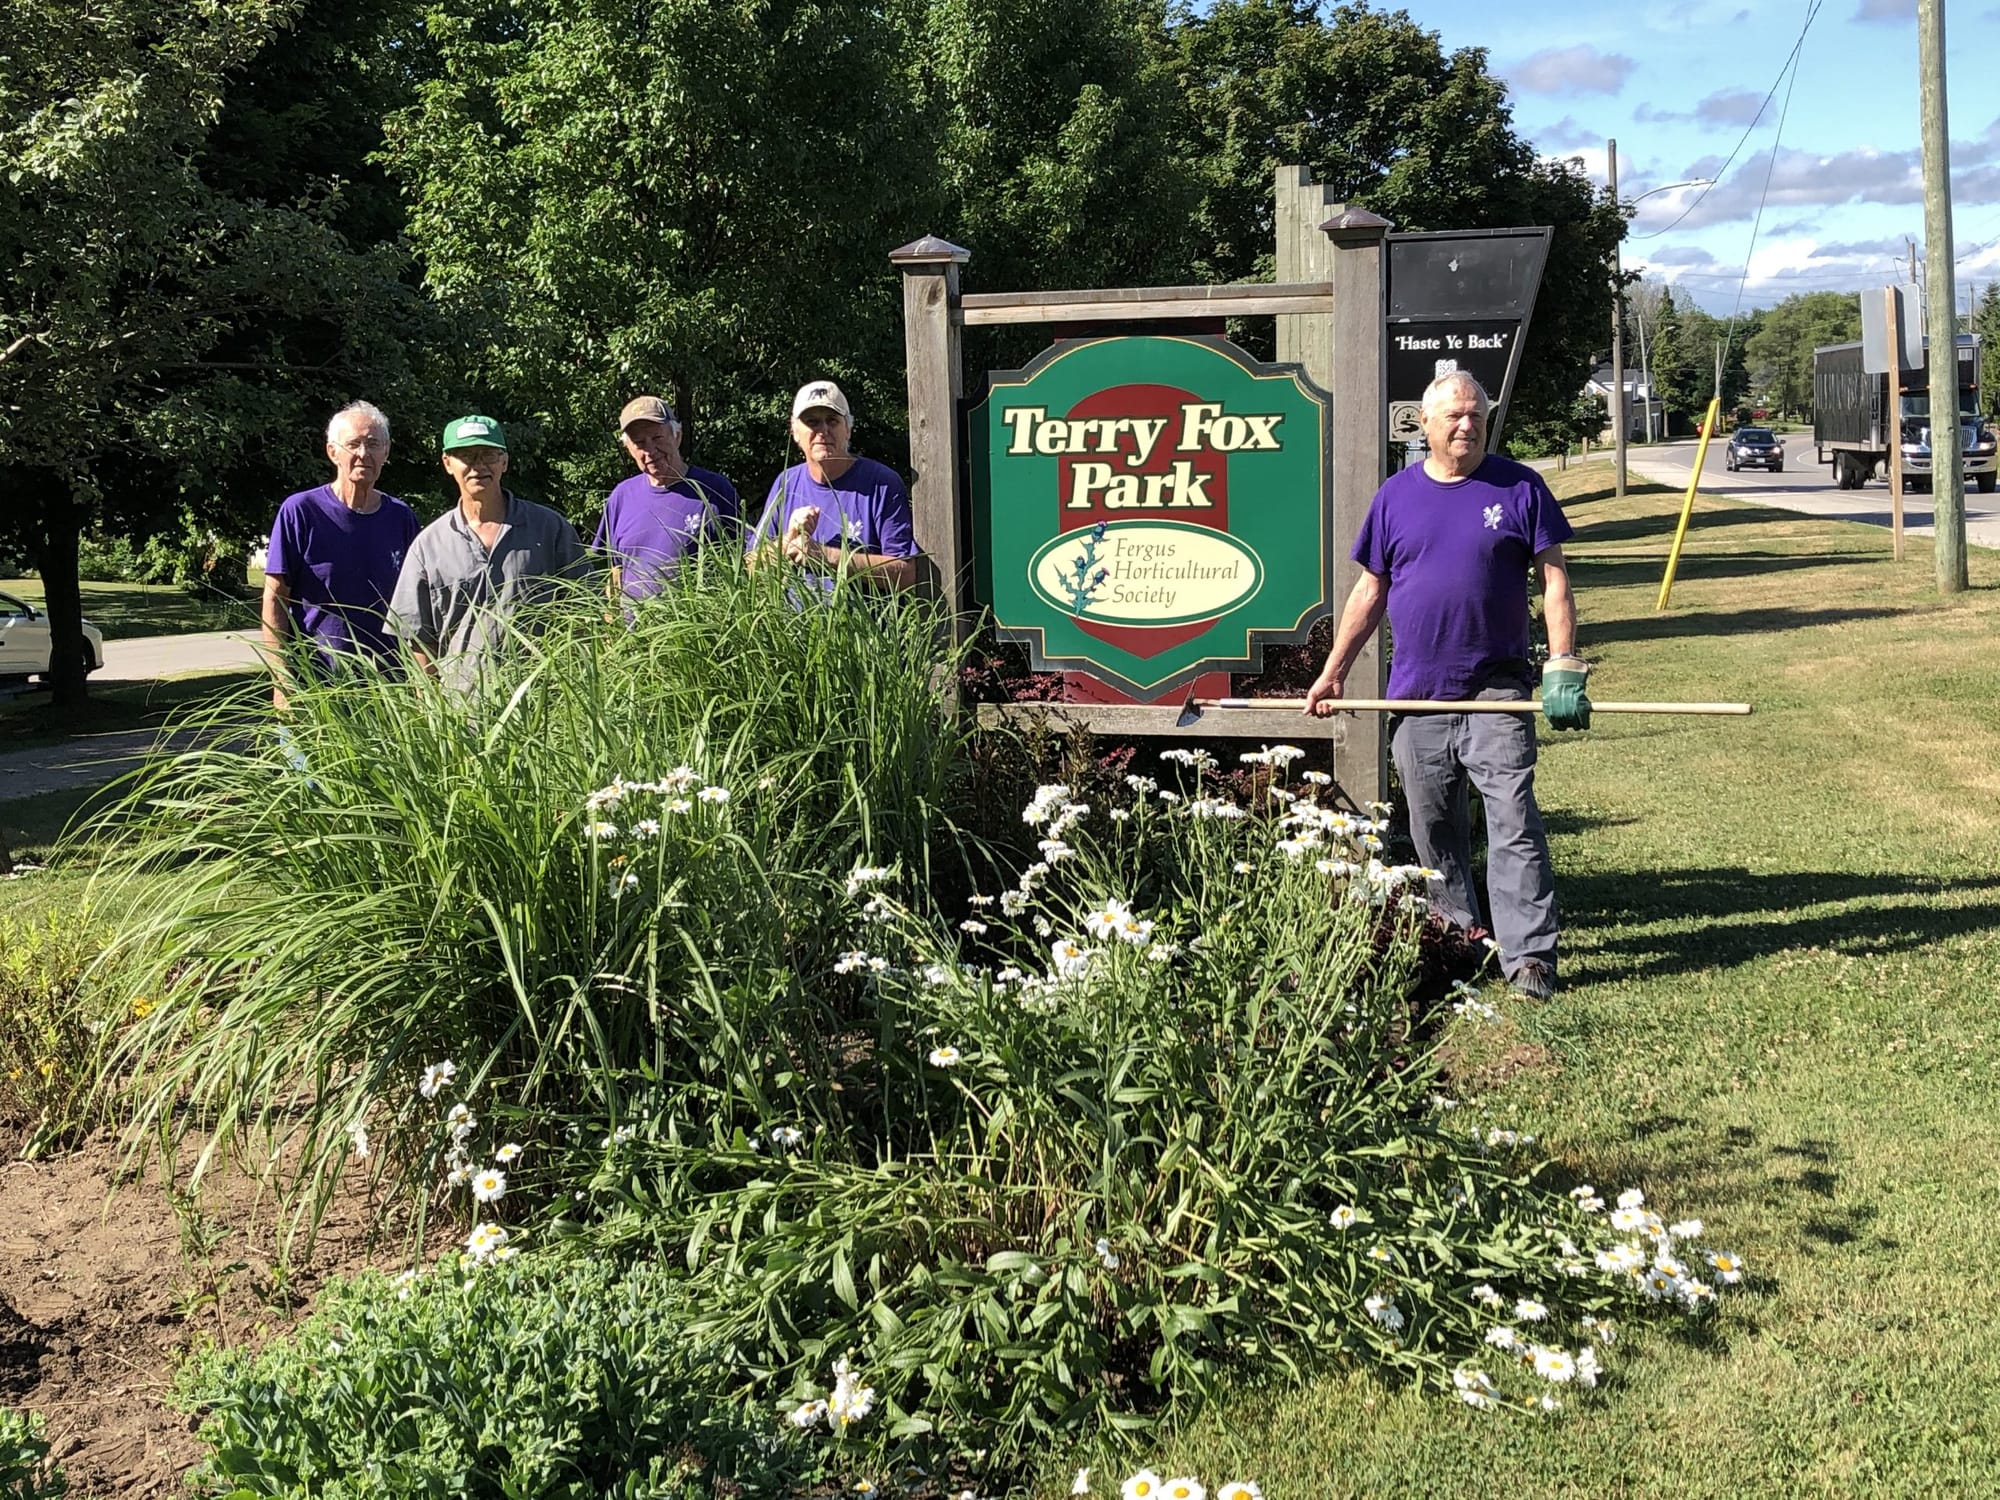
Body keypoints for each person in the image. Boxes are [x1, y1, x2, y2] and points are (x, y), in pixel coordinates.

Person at [1302, 370, 1591, 1001]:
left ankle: (1529, 958)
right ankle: (1462, 938)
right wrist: (1333, 671)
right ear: (1425, 425)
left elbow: (1555, 581)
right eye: (1454, 415)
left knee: (1512, 819)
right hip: (1415, 694)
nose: (1466, 424)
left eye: (1477, 414)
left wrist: (1563, 663)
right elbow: (1369, 592)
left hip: (1496, 689)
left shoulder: (1521, 487)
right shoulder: (1395, 498)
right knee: (1434, 829)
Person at [387, 414, 589, 690]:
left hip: (545, 708)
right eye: (466, 456)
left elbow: (583, 617)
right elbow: (418, 639)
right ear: (447, 463)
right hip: (463, 714)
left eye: (488, 455)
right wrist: (432, 713)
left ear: (504, 462)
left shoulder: (551, 529)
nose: (478, 465)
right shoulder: (428, 546)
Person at [260, 401, 420, 708]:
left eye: (373, 444)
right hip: (315, 688)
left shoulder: (401, 518)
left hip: (387, 692)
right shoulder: (300, 511)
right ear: (333, 452)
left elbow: (415, 605)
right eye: (353, 444)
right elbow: (274, 598)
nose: (364, 454)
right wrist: (282, 681)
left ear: (386, 453)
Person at [747, 380, 919, 590]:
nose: (823, 430)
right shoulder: (786, 482)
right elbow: (750, 565)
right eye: (812, 422)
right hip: (795, 623)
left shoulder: (882, 484)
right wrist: (788, 539)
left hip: (863, 623)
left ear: (848, 429)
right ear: (794, 432)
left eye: (832, 421)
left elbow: (906, 573)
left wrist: (825, 555)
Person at [595, 395, 740, 599]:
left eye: (657, 438)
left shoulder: (714, 490)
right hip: (634, 630)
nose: (650, 450)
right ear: (628, 448)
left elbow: (744, 559)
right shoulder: (621, 497)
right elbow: (615, 571)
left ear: (677, 436)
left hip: (700, 626)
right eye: (639, 443)